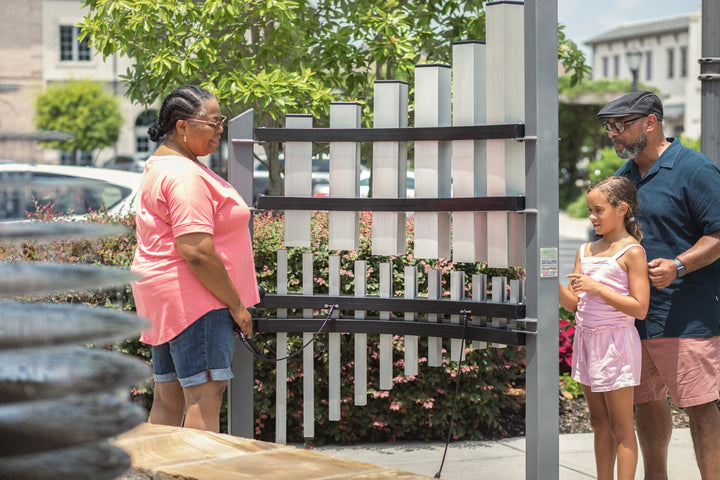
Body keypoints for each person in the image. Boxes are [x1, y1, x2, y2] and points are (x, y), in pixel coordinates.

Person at [599, 90, 720, 479]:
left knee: (700, 406)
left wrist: (679, 266)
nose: (613, 135)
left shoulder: (695, 169)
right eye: (609, 128)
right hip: (634, 319)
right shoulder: (623, 180)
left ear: (651, 122)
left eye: (621, 126)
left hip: (688, 316)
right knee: (647, 404)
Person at [131, 85, 260, 433]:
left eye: (222, 122)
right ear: (183, 127)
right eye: (213, 123)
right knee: (204, 399)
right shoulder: (185, 175)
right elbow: (197, 251)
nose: (220, 130)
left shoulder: (164, 163)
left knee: (168, 399)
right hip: (197, 299)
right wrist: (236, 305)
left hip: (167, 297)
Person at [560, 176, 650, 480]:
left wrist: (597, 288)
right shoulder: (584, 251)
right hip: (587, 342)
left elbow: (639, 308)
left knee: (621, 427)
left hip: (616, 344)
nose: (591, 217)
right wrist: (546, 281)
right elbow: (574, 304)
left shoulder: (632, 252)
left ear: (622, 208)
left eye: (598, 210)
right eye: (589, 210)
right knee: (598, 423)